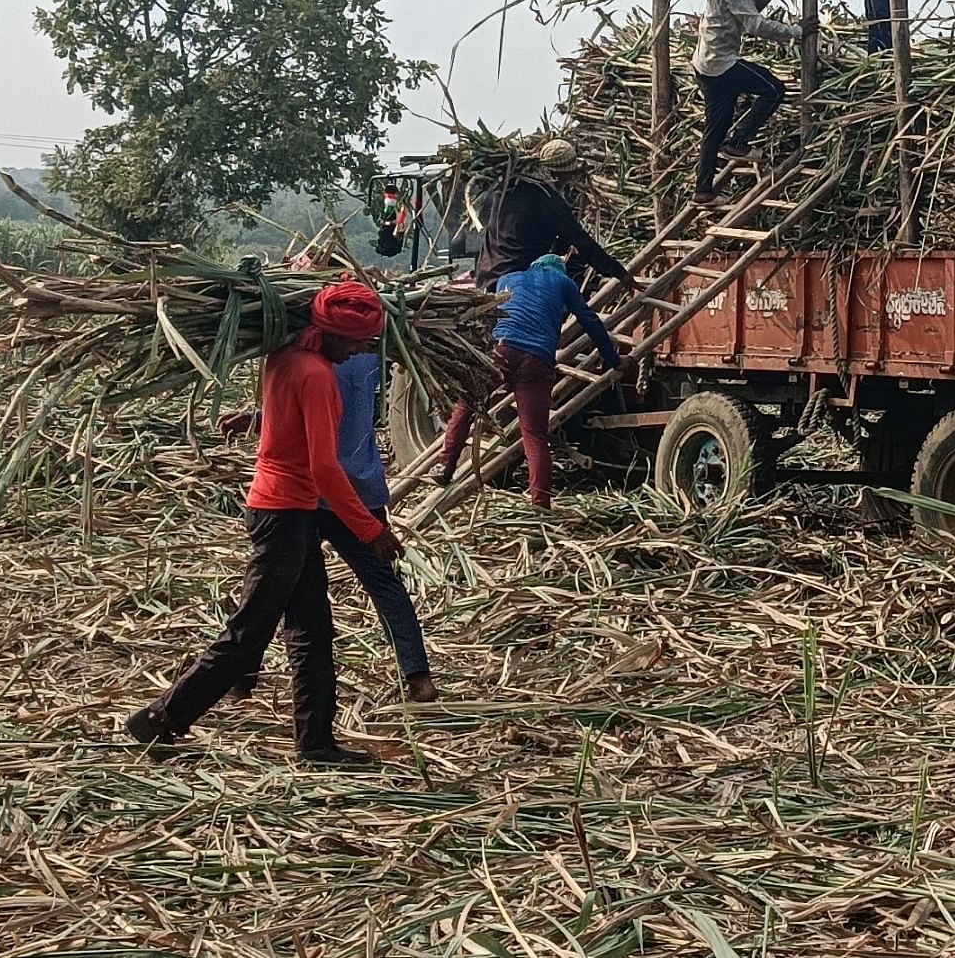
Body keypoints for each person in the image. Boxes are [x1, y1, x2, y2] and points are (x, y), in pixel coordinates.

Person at [125, 281, 400, 765]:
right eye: (357, 341)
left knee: (313, 629)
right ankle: (160, 718)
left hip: (286, 511)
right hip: (285, 514)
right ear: (334, 335)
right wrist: (370, 529)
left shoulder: (283, 359)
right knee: (249, 632)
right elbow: (324, 468)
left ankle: (316, 743)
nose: (361, 349)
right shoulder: (316, 376)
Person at [223, 345, 439, 705]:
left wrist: (259, 417)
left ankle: (241, 681)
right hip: (354, 487)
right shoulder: (369, 350)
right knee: (383, 584)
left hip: (309, 494)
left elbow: (309, 415)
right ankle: (419, 677)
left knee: (268, 592)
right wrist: (259, 417)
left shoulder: (315, 356)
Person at [438, 253, 626, 507]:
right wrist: (614, 360)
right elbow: (589, 321)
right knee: (534, 434)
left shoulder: (508, 278)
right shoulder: (564, 283)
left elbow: (487, 315)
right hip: (536, 360)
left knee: (466, 404)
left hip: (500, 350)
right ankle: (540, 503)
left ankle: (445, 465)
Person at [694, 0, 799, 204]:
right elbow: (756, 25)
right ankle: (738, 142)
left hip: (704, 61)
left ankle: (703, 190)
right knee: (774, 89)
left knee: (715, 127)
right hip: (722, 61)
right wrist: (797, 31)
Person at [470, 138, 631, 290]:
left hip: (486, 278)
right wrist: (619, 273)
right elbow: (582, 242)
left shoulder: (505, 188)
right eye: (568, 176)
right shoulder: (549, 202)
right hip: (517, 284)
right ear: (559, 174)